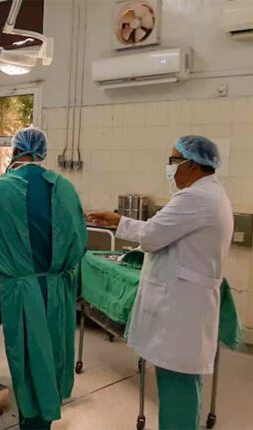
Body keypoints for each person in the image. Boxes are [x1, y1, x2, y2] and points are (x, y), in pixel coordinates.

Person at [87, 136, 233, 430]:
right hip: (188, 310)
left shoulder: (195, 198)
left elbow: (152, 236)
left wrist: (117, 221)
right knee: (183, 387)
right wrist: (118, 222)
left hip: (181, 313)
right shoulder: (212, 194)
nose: (170, 168)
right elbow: (161, 232)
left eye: (174, 160)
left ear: (192, 165)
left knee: (178, 389)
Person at [0, 127, 87, 429]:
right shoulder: (64, 188)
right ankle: (45, 419)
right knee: (52, 356)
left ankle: (32, 422)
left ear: (14, 151)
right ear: (43, 153)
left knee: (28, 361)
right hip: (58, 290)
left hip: (24, 293)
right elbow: (80, 240)